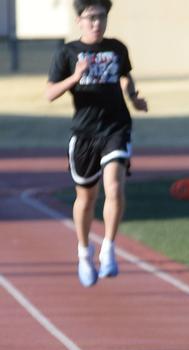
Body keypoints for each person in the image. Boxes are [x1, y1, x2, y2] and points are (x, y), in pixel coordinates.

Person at [45, 0, 148, 287]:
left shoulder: (117, 48)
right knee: (87, 198)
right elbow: (49, 93)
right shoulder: (67, 52)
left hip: (116, 127)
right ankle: (83, 252)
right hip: (84, 133)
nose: (97, 23)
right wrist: (75, 78)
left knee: (114, 186)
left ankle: (109, 249)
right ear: (79, 20)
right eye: (91, 17)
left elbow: (125, 75)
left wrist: (134, 96)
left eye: (101, 17)